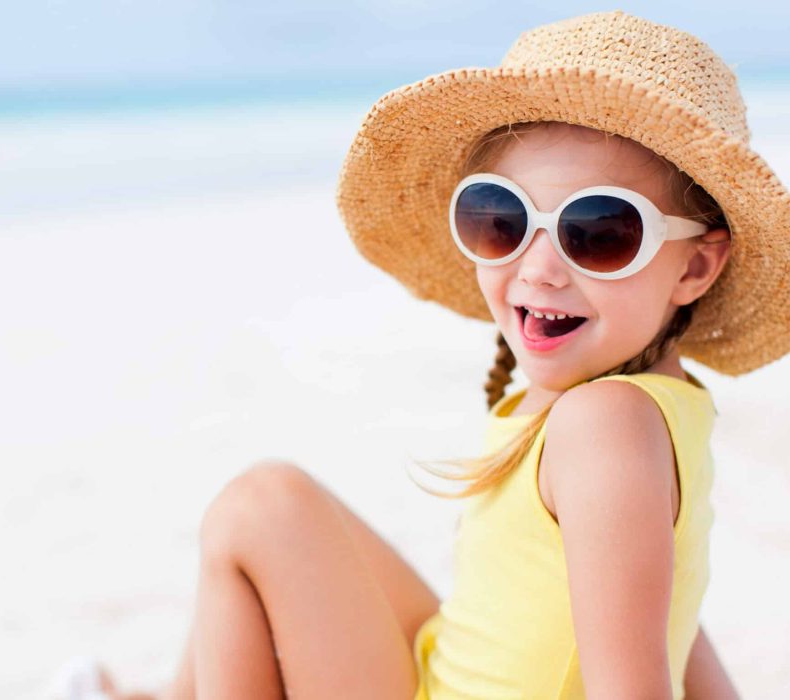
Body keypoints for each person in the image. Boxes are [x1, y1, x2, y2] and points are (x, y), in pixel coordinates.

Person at [52, 10, 789, 700]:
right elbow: (669, 610)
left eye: (599, 233)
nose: (538, 269)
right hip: (449, 665)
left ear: (695, 268)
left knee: (260, 506)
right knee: (269, 530)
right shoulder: (647, 403)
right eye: (501, 220)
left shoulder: (604, 423)